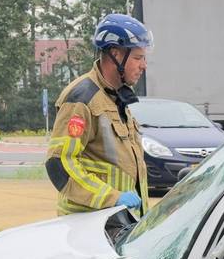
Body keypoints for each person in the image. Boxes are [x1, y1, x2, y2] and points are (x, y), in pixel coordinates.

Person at [46, 13, 152, 216]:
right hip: (89, 226)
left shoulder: (116, 97)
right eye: (138, 58)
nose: (144, 66)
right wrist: (112, 197)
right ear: (116, 54)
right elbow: (59, 163)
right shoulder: (82, 98)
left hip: (118, 222)